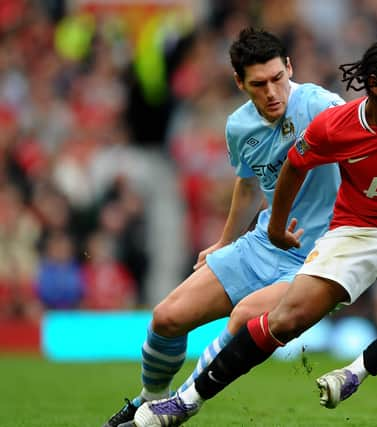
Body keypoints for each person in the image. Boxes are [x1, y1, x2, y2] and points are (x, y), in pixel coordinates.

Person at [132, 36, 377, 426]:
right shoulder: (335, 125)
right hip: (356, 233)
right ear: (375, 85)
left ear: (290, 69)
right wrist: (272, 228)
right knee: (279, 320)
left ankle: (354, 373)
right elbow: (292, 167)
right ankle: (182, 402)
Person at [102, 27, 344, 427]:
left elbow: (367, 142)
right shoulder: (239, 126)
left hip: (321, 257)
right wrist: (223, 242)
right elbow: (247, 183)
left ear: (289, 68)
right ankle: (149, 401)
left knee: (244, 318)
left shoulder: (321, 105)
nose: (272, 93)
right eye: (259, 84)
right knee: (166, 318)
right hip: (266, 244)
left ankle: (175, 409)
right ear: (239, 82)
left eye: (278, 80)